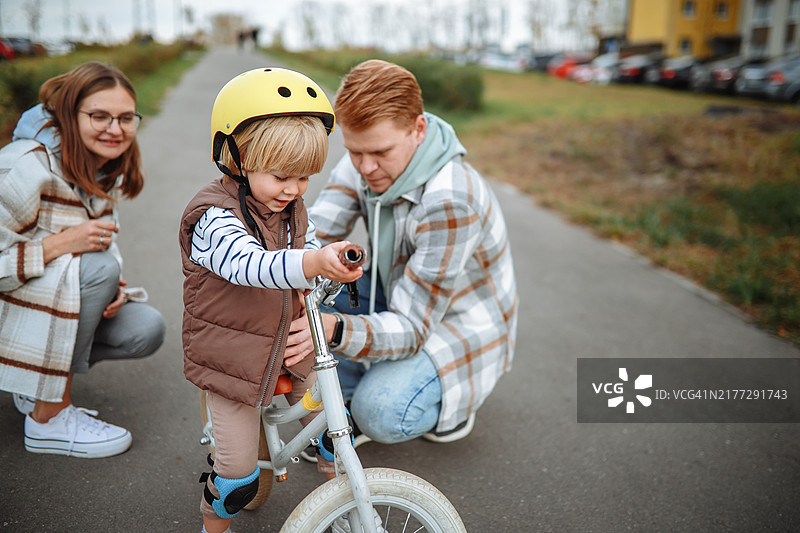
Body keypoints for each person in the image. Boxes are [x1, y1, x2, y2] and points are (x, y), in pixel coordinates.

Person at [290, 59, 518, 447]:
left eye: (379, 152)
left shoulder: (451, 201)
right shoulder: (366, 156)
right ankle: (356, 382)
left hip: (455, 325)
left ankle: (450, 408)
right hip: (399, 291)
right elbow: (314, 235)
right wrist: (274, 268)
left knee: (381, 411)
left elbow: (413, 327)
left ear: (418, 128)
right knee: (297, 295)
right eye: (355, 152)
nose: (365, 167)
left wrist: (335, 330)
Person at [178, 67, 362, 533]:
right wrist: (314, 261)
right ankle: (212, 525)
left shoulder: (291, 210)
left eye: (304, 178)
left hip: (288, 349)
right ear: (235, 158)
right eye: (282, 175)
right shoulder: (212, 218)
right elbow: (251, 265)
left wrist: (333, 267)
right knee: (238, 482)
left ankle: (345, 509)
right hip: (233, 360)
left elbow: (309, 257)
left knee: (334, 433)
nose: (295, 190)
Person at [0, 61, 165, 459]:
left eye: (126, 118)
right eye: (99, 116)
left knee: (145, 327)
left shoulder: (101, 170)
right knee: (97, 270)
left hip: (31, 302)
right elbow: (83, 256)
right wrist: (61, 245)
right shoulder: (23, 166)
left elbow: (104, 252)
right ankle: (48, 418)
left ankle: (32, 382)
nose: (115, 128)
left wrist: (114, 288)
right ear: (69, 115)